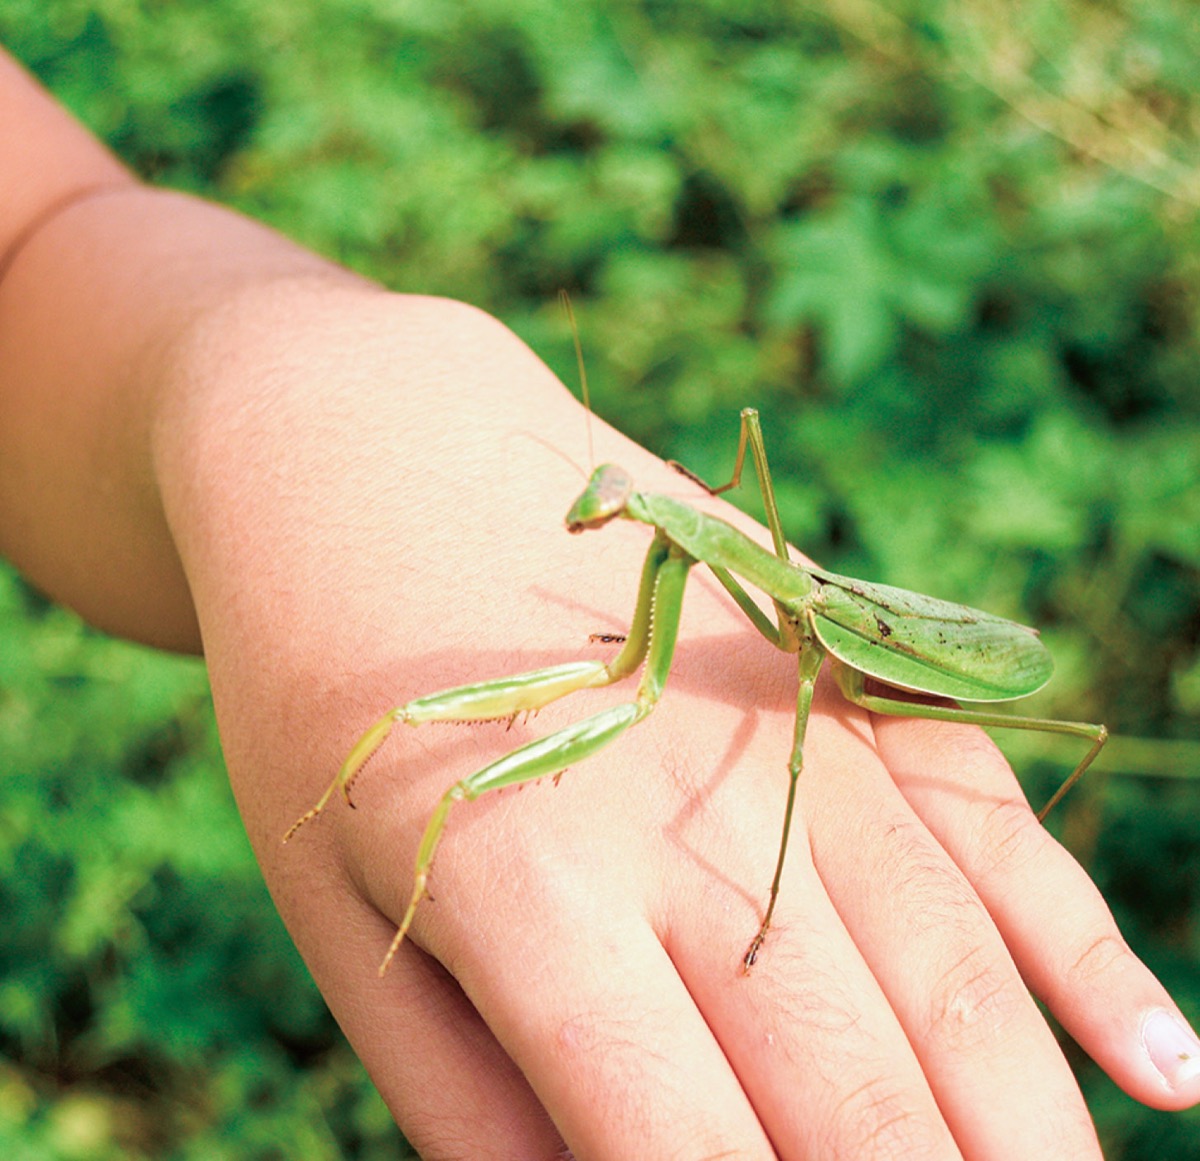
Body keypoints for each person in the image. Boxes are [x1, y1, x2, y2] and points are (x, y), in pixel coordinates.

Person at [1, 45, 1197, 1160]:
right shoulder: (679, 554)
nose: (603, 518)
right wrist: (288, 400)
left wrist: (272, 358)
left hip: (884, 641)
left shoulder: (751, 582)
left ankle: (796, 886)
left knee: (957, 736)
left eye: (617, 508)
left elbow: (38, 232)